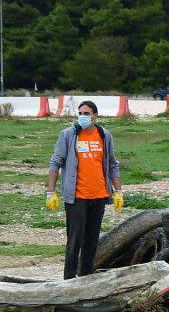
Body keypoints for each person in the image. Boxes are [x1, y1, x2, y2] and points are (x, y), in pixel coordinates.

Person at [46, 100, 123, 280]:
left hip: (99, 196)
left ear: (95, 116)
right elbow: (55, 162)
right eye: (80, 113)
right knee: (74, 241)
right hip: (77, 197)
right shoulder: (68, 134)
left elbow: (112, 164)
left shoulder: (104, 135)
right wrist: (51, 191)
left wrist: (118, 191)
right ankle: (69, 280)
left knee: (91, 242)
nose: (83, 117)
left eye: (87, 114)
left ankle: (85, 279)